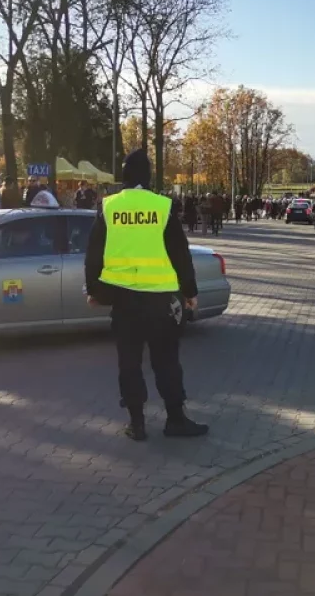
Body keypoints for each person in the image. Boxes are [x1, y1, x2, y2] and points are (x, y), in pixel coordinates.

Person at [85, 149, 208, 442]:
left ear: (124, 176)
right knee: (166, 361)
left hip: (124, 301)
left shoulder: (108, 207)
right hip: (161, 301)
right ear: (149, 175)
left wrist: (95, 292)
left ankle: (136, 423)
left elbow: (93, 255)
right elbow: (180, 254)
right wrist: (190, 293)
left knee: (129, 362)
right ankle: (175, 420)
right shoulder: (163, 207)